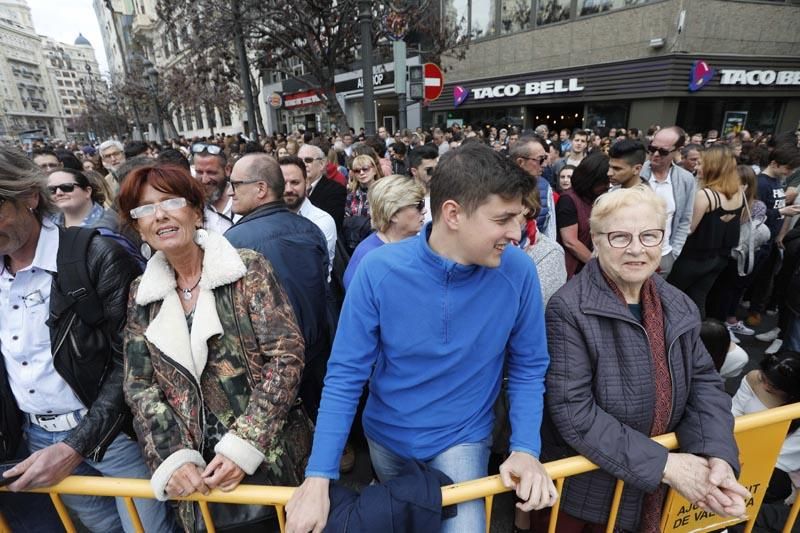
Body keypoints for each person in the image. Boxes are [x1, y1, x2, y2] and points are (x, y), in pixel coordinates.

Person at [286, 142, 557, 533]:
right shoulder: (378, 270)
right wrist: (319, 476)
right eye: (503, 219)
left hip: (464, 440)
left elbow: (530, 368)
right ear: (453, 214)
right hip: (386, 440)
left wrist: (526, 448)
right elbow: (346, 374)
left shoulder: (518, 272)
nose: (516, 232)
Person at [542, 186, 748, 532]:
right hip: (593, 486)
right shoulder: (568, 309)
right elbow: (574, 412)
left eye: (649, 236)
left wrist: (717, 455)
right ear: (596, 239)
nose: (637, 249)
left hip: (657, 480)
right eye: (620, 237)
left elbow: (705, 383)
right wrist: (665, 464)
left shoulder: (677, 302)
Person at [118, 163, 308, 532]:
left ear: (194, 208)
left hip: (269, 464)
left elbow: (285, 357)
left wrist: (243, 447)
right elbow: (138, 384)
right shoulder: (142, 294)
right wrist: (173, 458)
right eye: (144, 209)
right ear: (137, 225)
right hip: (196, 477)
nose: (159, 216)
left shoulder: (246, 269)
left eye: (170, 201)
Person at [0, 146, 175, 532]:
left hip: (115, 438)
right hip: (38, 440)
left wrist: (77, 443)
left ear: (30, 196)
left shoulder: (97, 254)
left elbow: (135, 361)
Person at [225, 154, 331, 416]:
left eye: (236, 184)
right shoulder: (310, 230)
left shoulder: (232, 242)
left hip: (268, 370)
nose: (230, 192)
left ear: (261, 189)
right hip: (313, 360)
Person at [668, 145, 744, 317]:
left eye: (701, 163)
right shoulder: (738, 192)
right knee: (698, 300)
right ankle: (696, 339)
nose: (697, 167)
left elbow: (688, 229)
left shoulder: (706, 195)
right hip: (719, 259)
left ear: (714, 167)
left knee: (668, 298)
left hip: (693, 258)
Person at [731, 352, 800, 506]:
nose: (764, 386)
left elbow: (782, 456)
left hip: (773, 461)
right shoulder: (754, 378)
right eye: (763, 378)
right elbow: (735, 411)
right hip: (737, 442)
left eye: (773, 386)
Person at [343, 175, 425, 290]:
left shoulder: (419, 244)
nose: (424, 210)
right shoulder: (367, 257)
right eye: (419, 205)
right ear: (393, 214)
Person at [640, 126, 697, 277]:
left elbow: (685, 219)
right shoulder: (636, 173)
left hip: (664, 256)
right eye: (652, 149)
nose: (656, 155)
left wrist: (673, 253)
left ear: (678, 150)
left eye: (663, 151)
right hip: (633, 254)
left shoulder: (686, 180)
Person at [556, 151, 610, 279]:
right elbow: (571, 242)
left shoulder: (596, 198)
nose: (607, 186)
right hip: (574, 271)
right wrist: (599, 266)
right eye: (604, 182)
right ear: (592, 180)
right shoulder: (568, 200)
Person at [279, 155, 337, 273]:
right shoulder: (269, 220)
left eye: (295, 182)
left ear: (306, 183)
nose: (289, 189)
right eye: (283, 183)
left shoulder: (322, 221)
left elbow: (305, 267)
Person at [190, 143, 237, 234]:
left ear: (227, 170)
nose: (204, 180)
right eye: (199, 172)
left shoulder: (244, 200)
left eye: (211, 172)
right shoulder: (192, 205)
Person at [299, 144, 346, 231]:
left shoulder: (336, 190)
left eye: (308, 160)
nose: (303, 164)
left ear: (321, 164)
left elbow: (332, 224)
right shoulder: (291, 190)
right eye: (299, 161)